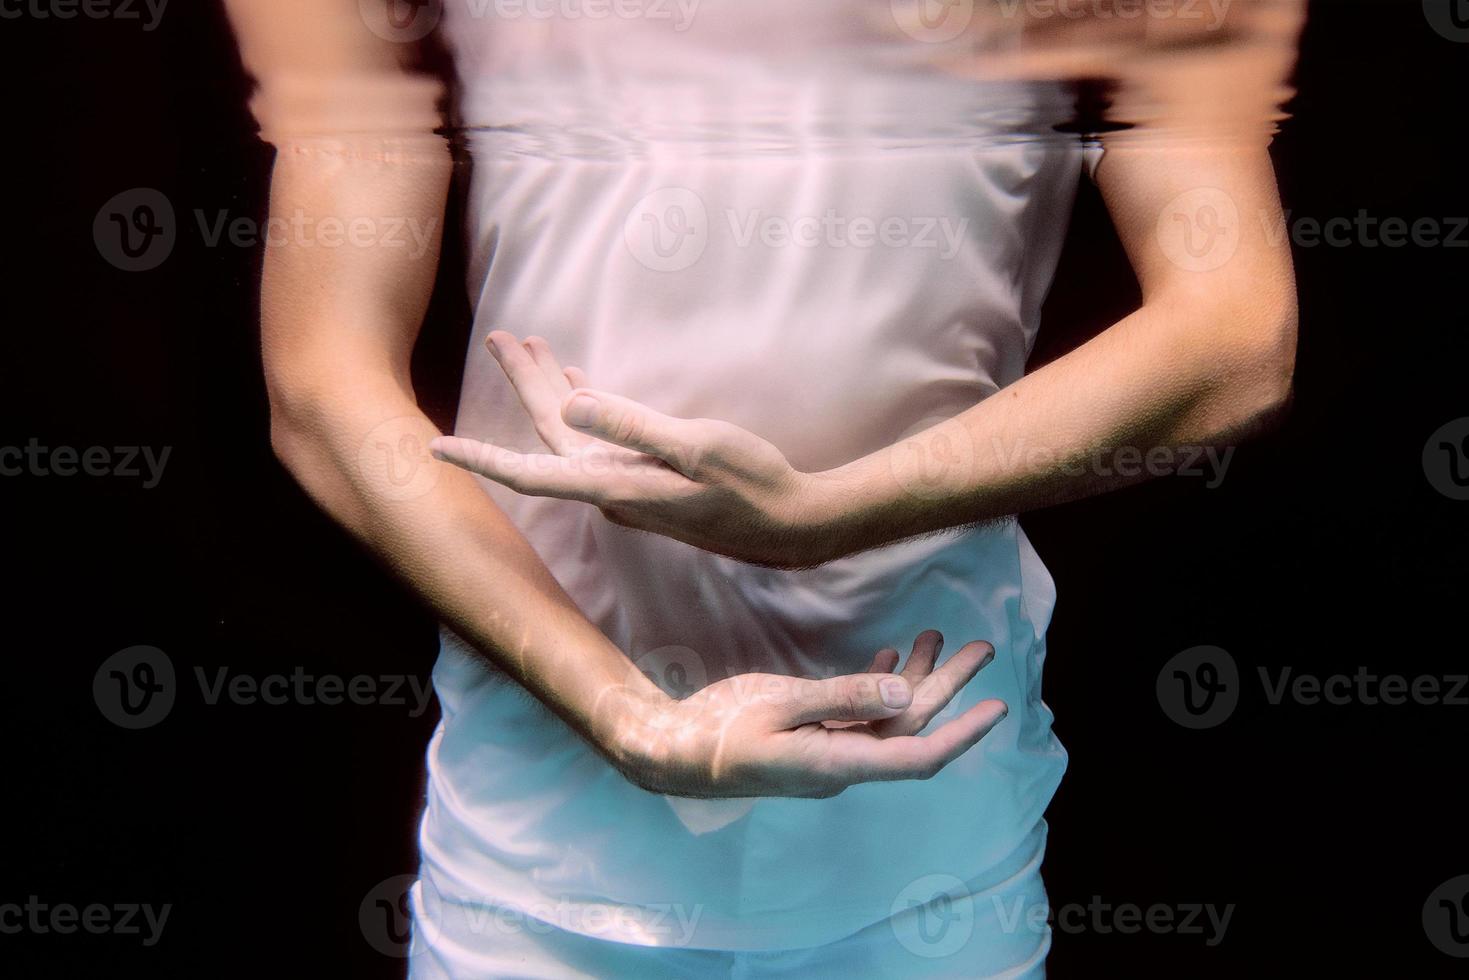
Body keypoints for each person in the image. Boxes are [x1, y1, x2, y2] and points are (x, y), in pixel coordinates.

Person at [226, 1, 1297, 975]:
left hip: (929, 850)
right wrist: (626, 712)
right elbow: (324, 382)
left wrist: (825, 517)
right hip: (539, 864)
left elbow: (1234, 333)